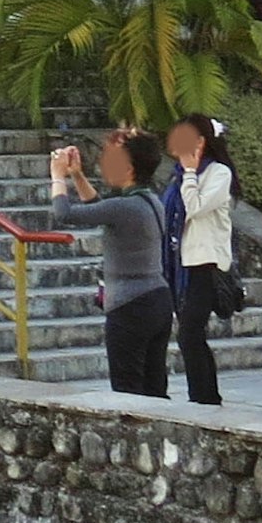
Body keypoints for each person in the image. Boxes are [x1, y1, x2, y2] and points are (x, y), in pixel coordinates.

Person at [37, 128, 175, 397]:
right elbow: (102, 209)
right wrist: (77, 175)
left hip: (130, 306)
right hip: (157, 300)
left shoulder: (125, 207)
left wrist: (57, 175)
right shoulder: (148, 200)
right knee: (154, 386)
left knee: (128, 390)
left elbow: (64, 214)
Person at [163, 110, 239, 407]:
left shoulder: (219, 173)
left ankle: (205, 398)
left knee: (190, 334)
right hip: (182, 263)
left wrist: (192, 173)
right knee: (191, 334)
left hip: (206, 263)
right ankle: (205, 396)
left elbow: (194, 207)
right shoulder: (179, 174)